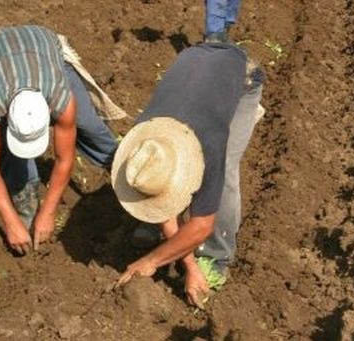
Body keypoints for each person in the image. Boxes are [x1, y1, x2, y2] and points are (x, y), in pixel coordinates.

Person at [112, 41, 264, 307]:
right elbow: (160, 190)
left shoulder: (208, 142)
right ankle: (174, 244)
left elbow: (202, 225)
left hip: (242, 75)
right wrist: (187, 264)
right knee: (157, 183)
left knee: (225, 173)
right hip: (196, 62)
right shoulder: (145, 139)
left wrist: (152, 261)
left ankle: (218, 256)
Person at [0, 25, 119, 255]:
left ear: (50, 109)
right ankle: (24, 212)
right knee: (11, 159)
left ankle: (125, 170)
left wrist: (48, 212)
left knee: (90, 126)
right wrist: (10, 222)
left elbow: (64, 159)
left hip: (44, 49)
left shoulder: (61, 98)